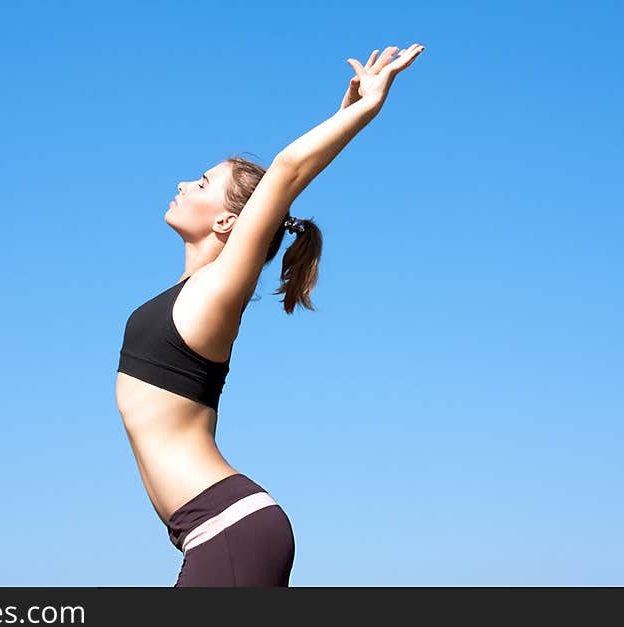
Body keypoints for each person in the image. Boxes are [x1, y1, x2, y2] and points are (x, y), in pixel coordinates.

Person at [115, 44, 426, 586]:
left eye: (204, 183)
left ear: (229, 222)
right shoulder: (189, 292)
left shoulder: (217, 290)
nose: (185, 184)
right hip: (213, 530)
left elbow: (284, 172)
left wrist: (359, 111)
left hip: (226, 527)